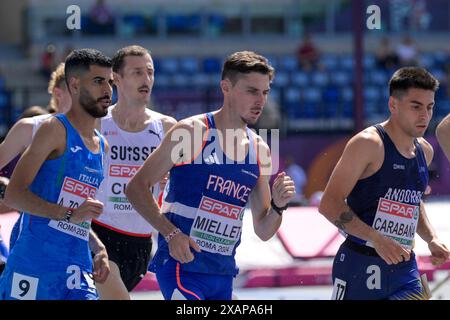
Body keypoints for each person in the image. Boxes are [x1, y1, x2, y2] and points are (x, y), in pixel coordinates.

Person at [126, 51, 296, 300]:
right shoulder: (192, 132)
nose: (261, 101)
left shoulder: (260, 148)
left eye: (265, 92)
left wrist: (279, 207)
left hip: (222, 274)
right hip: (181, 267)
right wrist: (171, 234)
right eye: (251, 91)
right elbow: (136, 187)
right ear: (226, 87)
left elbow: (263, 230)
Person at [318, 66, 450, 300]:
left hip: (404, 270)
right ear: (393, 105)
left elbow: (412, 202)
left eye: (429, 107)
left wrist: (431, 238)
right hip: (360, 265)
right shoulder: (368, 144)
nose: (425, 116)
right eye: (416, 106)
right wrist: (377, 239)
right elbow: (329, 204)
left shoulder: (425, 151)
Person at [0, 48, 113, 300]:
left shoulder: (102, 145)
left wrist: (98, 248)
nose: (107, 90)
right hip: (34, 265)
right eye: (98, 81)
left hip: (76, 267)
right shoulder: (53, 129)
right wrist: (71, 214)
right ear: (74, 84)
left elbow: (78, 211)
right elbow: (15, 195)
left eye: (110, 82)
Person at [92, 45, 176, 299]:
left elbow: (185, 184)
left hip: (141, 242)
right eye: (137, 72)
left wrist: (170, 177)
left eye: (150, 72)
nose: (146, 79)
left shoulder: (167, 127)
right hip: (98, 234)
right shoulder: (96, 122)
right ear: (116, 78)